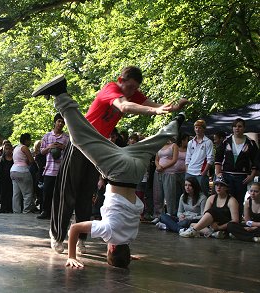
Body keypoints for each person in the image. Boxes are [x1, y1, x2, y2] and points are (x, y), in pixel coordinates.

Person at [32, 73, 185, 268]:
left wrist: (172, 108)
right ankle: (58, 235)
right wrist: (155, 112)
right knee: (69, 185)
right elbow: (124, 106)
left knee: (88, 194)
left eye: (134, 88)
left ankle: (82, 240)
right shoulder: (111, 89)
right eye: (128, 87)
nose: (131, 92)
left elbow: (155, 105)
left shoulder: (134, 94)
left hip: (114, 157)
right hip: (94, 148)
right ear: (121, 80)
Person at [215, 118, 258, 216]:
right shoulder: (226, 141)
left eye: (239, 126)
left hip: (242, 177)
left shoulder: (250, 143)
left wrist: (251, 176)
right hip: (226, 176)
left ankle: (236, 223)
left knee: (239, 200)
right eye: (235, 126)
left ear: (244, 128)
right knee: (226, 199)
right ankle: (225, 222)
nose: (237, 128)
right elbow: (218, 157)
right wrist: (218, 173)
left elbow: (256, 161)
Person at [37, 113, 69, 219]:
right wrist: (50, 147)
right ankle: (45, 211)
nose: (60, 123)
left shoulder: (67, 138)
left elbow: (70, 152)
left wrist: (63, 147)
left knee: (60, 194)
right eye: (59, 121)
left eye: (63, 122)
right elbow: (41, 152)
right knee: (47, 192)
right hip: (49, 170)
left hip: (61, 170)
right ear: (55, 122)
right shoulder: (47, 136)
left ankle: (57, 213)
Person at [152, 138, 179, 220]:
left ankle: (170, 215)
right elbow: (156, 159)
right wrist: (158, 166)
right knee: (158, 195)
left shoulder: (174, 145)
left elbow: (174, 160)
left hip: (169, 173)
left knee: (169, 195)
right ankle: (158, 215)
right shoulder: (159, 146)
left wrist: (163, 167)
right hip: (158, 172)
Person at [185, 120, 214, 197]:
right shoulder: (190, 142)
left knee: (203, 195)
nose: (197, 129)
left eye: (200, 128)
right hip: (190, 172)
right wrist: (187, 169)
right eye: (196, 127)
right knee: (189, 195)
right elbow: (188, 157)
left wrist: (204, 172)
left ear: (204, 129)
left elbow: (210, 159)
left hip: (200, 173)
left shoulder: (208, 142)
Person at [10, 133, 36, 213]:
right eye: (29, 140)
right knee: (27, 193)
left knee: (16, 193)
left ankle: (16, 211)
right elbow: (31, 160)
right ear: (26, 140)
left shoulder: (16, 148)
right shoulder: (24, 148)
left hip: (13, 171)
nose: (30, 142)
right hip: (22, 171)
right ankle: (26, 211)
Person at [0, 142, 14, 213]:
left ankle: (10, 208)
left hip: (12, 178)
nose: (8, 150)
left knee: (11, 193)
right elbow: (0, 170)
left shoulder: (14, 158)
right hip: (3, 178)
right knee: (3, 193)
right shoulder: (2, 159)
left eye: (9, 149)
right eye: (6, 149)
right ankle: (3, 208)